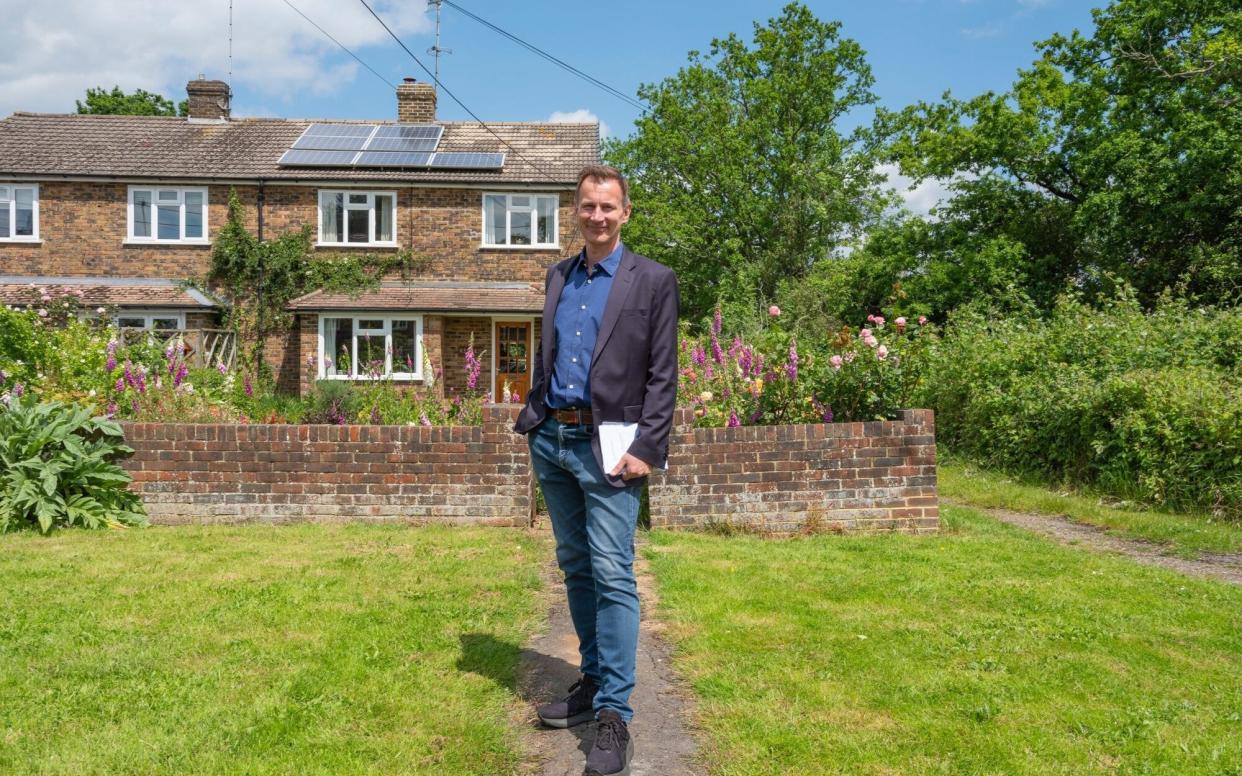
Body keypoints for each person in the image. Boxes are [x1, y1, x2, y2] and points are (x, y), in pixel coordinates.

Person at [514, 164, 679, 776]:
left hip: (613, 447)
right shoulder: (559, 275)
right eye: (587, 207)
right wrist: (535, 416)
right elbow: (550, 353)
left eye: (608, 207)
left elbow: (664, 374)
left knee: (614, 573)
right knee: (576, 567)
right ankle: (590, 682)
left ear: (625, 212)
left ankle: (615, 714)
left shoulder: (653, 280)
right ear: (575, 211)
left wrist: (648, 445)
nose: (598, 216)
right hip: (553, 439)